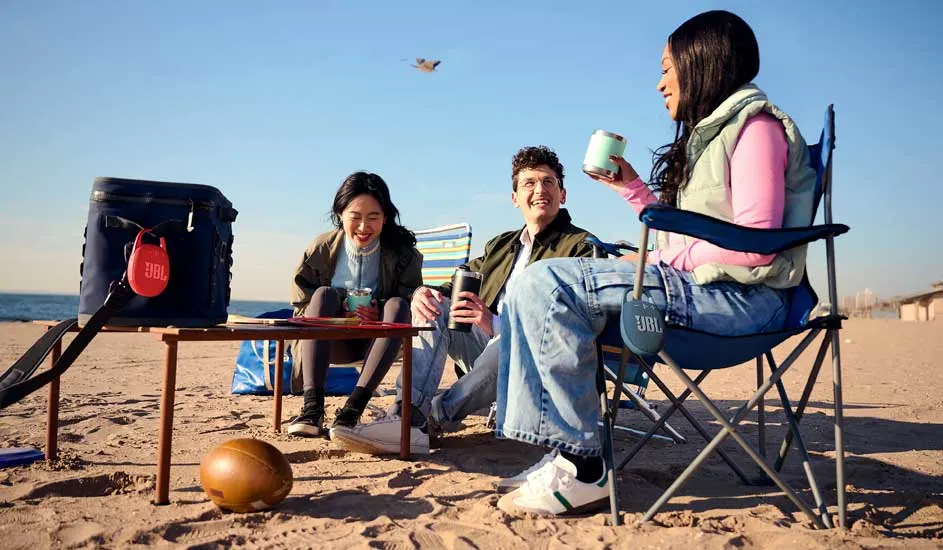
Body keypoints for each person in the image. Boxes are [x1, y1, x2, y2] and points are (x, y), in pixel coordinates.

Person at [493, 10, 818, 516]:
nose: (661, 82)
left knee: (546, 284)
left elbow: (755, 245)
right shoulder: (711, 137)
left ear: (703, 62)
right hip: (708, 289)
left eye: (668, 67)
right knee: (531, 285)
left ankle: (583, 466)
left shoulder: (756, 128)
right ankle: (564, 450)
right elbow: (690, 234)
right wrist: (633, 190)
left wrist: (662, 259)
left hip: (742, 302)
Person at [330, 146, 597, 454]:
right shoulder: (502, 245)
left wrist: (495, 323)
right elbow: (454, 284)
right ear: (515, 198)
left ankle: (432, 417)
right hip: (488, 353)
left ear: (562, 194)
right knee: (434, 304)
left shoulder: (580, 247)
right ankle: (407, 416)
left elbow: (573, 322)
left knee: (511, 340)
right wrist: (422, 293)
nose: (539, 190)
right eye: (529, 183)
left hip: (537, 361)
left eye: (548, 182)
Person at [287, 172, 423, 437]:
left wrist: (378, 311)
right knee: (323, 295)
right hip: (326, 341)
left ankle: (352, 409)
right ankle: (312, 408)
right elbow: (300, 301)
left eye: (373, 217)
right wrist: (339, 313)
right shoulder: (322, 248)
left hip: (379, 343)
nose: (363, 227)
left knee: (397, 305)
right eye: (355, 217)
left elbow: (410, 299)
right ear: (340, 214)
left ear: (385, 217)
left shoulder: (403, 254)